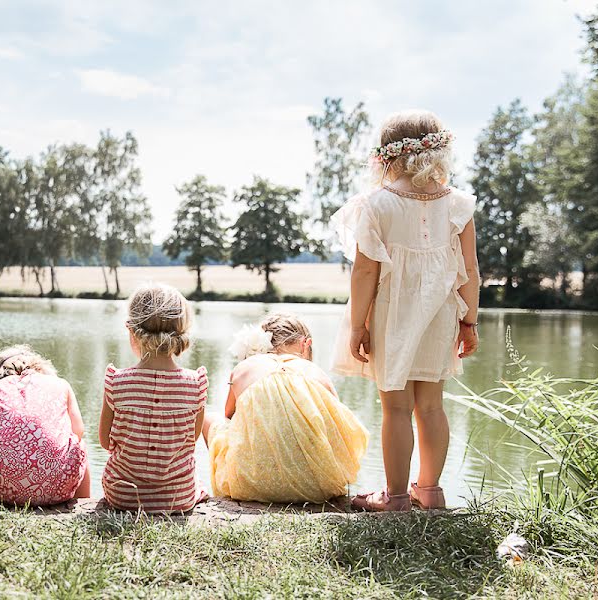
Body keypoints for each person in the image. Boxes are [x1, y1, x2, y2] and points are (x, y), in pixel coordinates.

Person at [332, 109, 480, 511]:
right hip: (441, 313)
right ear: (438, 152)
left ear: (385, 157)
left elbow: (365, 271)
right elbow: (470, 271)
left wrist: (358, 326)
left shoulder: (376, 204)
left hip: (391, 314)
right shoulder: (458, 204)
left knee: (396, 406)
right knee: (432, 405)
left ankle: (396, 497)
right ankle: (430, 491)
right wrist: (469, 321)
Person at [203, 313, 368, 503]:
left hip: (250, 484)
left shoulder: (244, 368)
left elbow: (229, 417)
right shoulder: (316, 373)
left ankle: (232, 478)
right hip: (318, 487)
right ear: (306, 344)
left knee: (211, 420)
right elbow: (341, 431)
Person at [99, 283, 208, 513]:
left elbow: (105, 441)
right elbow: (192, 440)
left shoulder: (116, 382)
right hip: (178, 498)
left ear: (131, 330)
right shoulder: (196, 384)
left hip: (123, 495)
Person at [0, 345, 90, 506]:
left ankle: (11, 493)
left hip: (4, 493)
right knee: (80, 445)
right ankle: (84, 502)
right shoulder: (60, 384)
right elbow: (78, 431)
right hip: (58, 490)